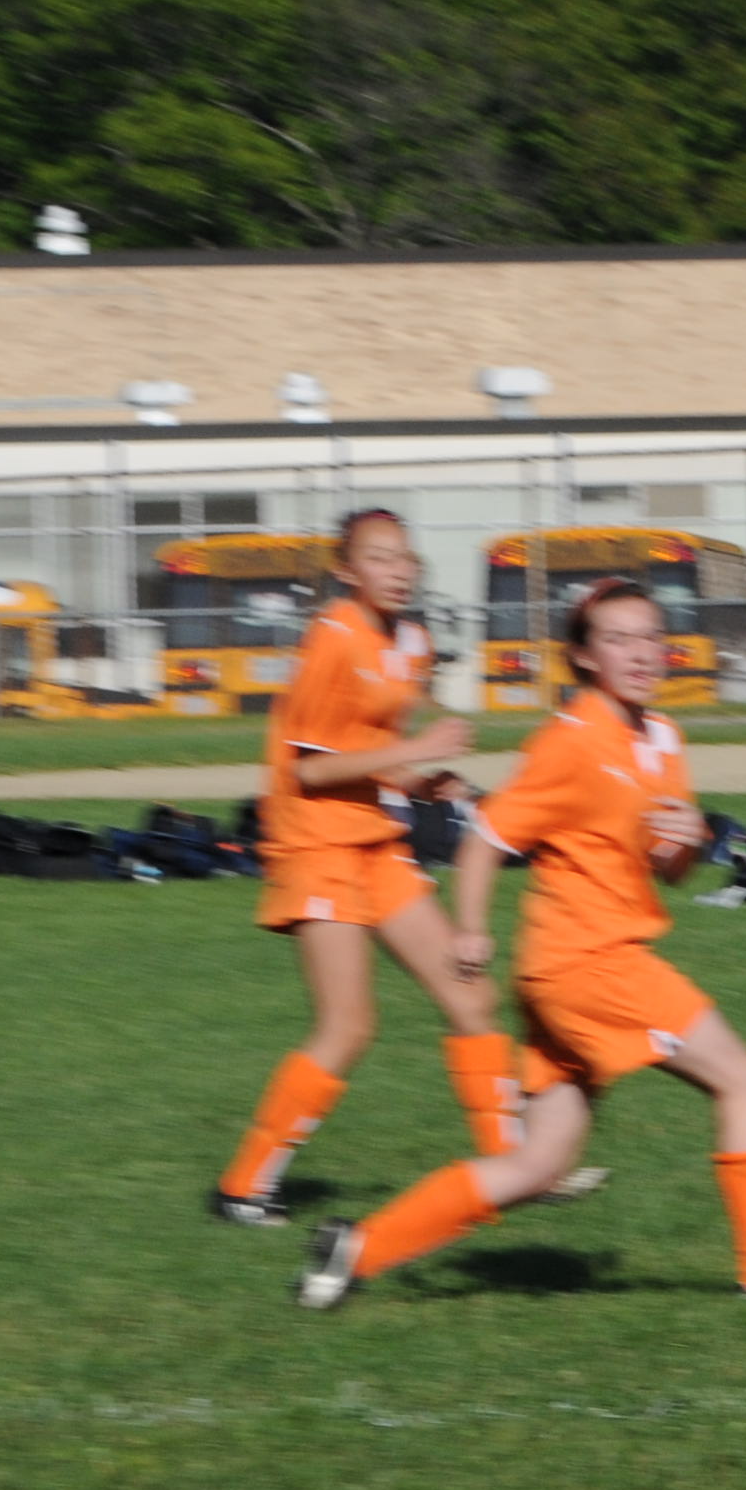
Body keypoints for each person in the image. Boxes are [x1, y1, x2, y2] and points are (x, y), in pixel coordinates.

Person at [297, 581, 746, 1309]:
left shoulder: (663, 738)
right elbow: (485, 839)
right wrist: (471, 928)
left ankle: (355, 1249)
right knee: (744, 1079)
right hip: (591, 964)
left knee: (539, 1164)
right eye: (617, 639)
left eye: (651, 636)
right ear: (584, 657)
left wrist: (690, 840)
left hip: (566, 972)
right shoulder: (571, 740)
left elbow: (667, 867)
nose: (640, 653)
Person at [209, 509, 523, 1228]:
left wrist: (430, 782)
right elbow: (313, 769)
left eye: (405, 557)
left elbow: (369, 754)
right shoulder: (334, 635)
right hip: (317, 844)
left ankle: (513, 1169)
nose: (399, 570)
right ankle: (244, 1188)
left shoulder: (412, 641)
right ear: (347, 571)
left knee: (473, 998)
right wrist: (417, 752)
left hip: (375, 840)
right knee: (349, 1026)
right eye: (380, 558)